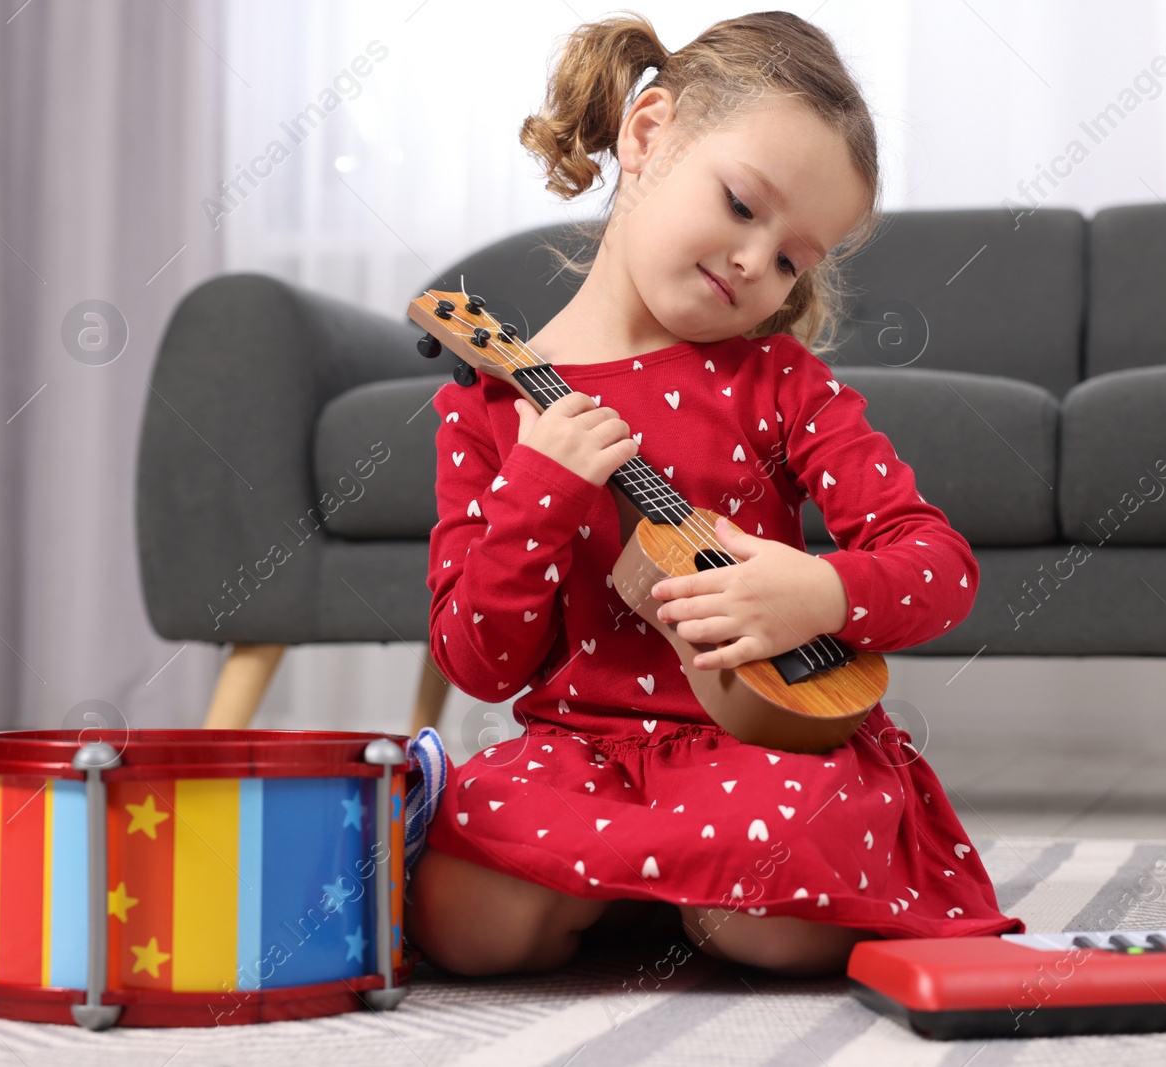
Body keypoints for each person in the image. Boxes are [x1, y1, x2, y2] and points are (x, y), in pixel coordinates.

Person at [405, 9, 1023, 980]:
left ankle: (633, 892)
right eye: (742, 205)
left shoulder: (778, 381)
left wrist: (816, 591)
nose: (754, 262)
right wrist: (537, 487)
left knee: (774, 905)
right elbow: (477, 662)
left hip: (756, 748)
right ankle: (655, 889)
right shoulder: (487, 408)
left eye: (790, 258)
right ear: (648, 135)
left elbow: (939, 569)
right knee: (458, 917)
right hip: (582, 752)